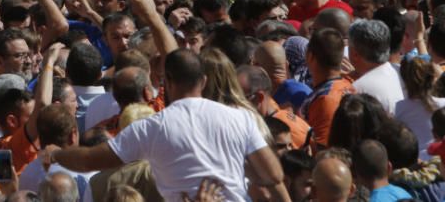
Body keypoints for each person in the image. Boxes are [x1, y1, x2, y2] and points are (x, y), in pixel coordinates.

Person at [49, 49, 287, 202]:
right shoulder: (240, 118)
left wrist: (57, 154)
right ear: (203, 81)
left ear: (168, 82)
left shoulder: (151, 128)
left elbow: (90, 160)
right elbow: (274, 175)